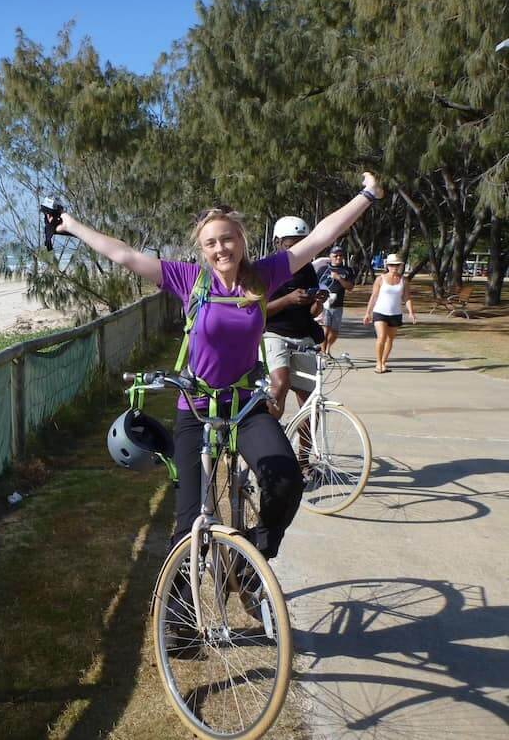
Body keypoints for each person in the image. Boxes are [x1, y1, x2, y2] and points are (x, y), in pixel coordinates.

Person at [51, 172, 384, 564]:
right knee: (188, 524)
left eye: (228, 239)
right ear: (203, 250)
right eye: (211, 243)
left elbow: (320, 238)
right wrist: (69, 225)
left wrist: (367, 196)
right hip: (194, 406)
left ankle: (252, 556)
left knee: (286, 481)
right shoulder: (188, 279)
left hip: (245, 404)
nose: (221, 248)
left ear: (241, 241)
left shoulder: (265, 274)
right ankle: (178, 623)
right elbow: (123, 254)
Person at [263, 217, 328, 421]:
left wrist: (318, 302)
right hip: (274, 335)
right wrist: (288, 299)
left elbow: (311, 313)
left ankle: (306, 453)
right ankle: (269, 440)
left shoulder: (308, 269)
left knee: (310, 402)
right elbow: (258, 312)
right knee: (279, 385)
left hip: (303, 336)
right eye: (291, 245)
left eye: (303, 244)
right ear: (277, 243)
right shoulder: (267, 269)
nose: (298, 250)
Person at [363, 253, 416, 372]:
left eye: (397, 265)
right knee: (381, 337)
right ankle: (378, 363)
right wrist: (368, 313)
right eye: (392, 265)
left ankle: (383, 362)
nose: (394, 267)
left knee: (390, 339)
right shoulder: (380, 279)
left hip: (395, 313)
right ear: (387, 266)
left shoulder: (403, 280)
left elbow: (407, 297)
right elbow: (374, 296)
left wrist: (411, 312)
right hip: (380, 312)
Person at [316, 245, 355, 356]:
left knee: (335, 331)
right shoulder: (323, 270)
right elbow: (315, 284)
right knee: (325, 328)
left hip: (338, 304)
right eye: (335, 255)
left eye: (340, 256)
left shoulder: (347, 271)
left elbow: (350, 287)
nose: (338, 258)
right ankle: (323, 353)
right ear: (330, 256)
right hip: (324, 304)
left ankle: (328, 348)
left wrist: (339, 278)